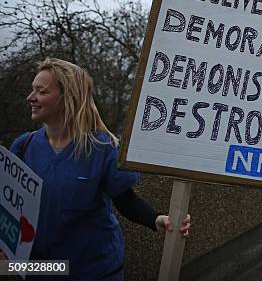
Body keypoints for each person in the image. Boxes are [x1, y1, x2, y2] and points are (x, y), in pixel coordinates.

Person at [4, 58, 191, 280]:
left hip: (95, 271)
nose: (30, 98)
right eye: (33, 90)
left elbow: (125, 200)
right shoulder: (22, 147)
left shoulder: (102, 148)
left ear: (68, 98)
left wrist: (157, 219)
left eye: (41, 92)